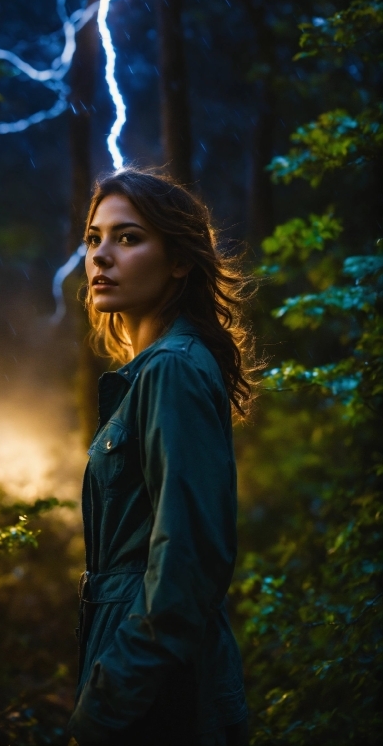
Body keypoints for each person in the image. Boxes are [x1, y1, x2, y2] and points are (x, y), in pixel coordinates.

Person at [67, 169, 252, 746]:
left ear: (179, 260)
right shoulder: (153, 371)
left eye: (128, 238)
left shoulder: (171, 369)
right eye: (94, 238)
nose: (101, 256)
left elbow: (188, 556)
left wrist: (112, 696)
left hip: (156, 684)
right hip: (139, 659)